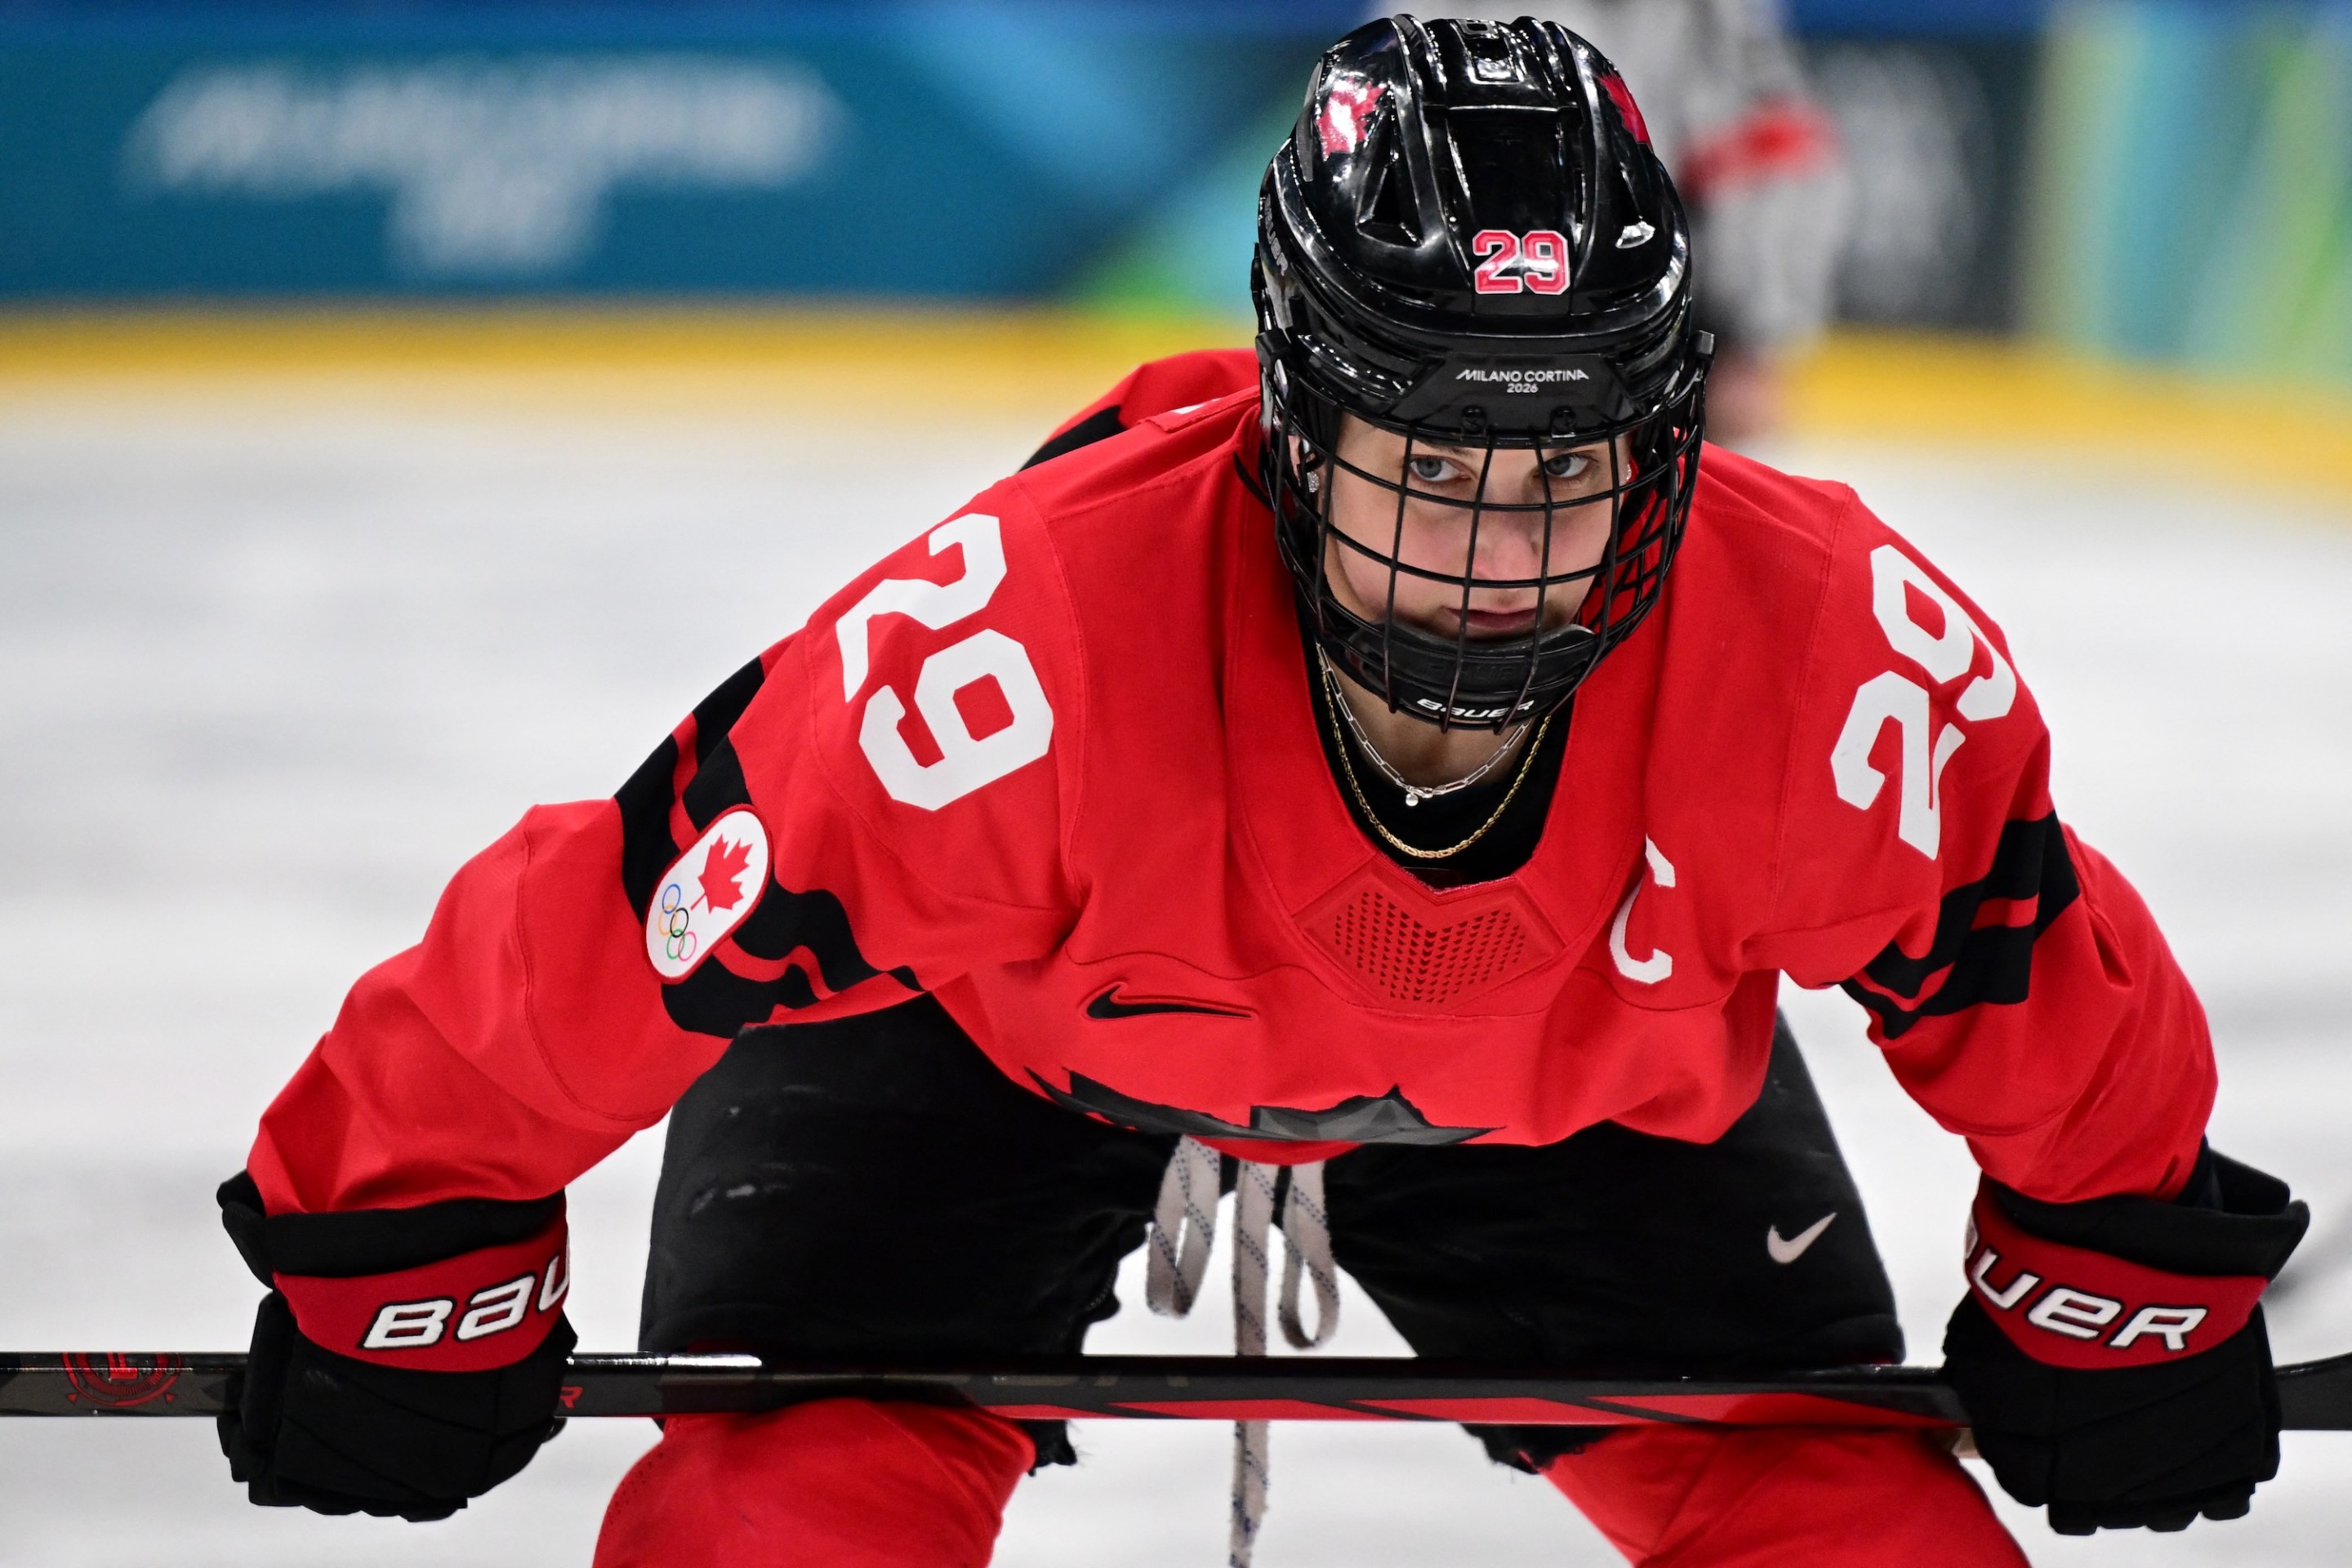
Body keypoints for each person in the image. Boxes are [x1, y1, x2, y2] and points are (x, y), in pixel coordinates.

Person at [212, 16, 2304, 1567]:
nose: (1498, 552)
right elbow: (615, 921)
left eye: (1564, 463)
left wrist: (2118, 1263)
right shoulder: (1013, 662)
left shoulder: (1825, 657)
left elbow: (2035, 970)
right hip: (986, 1055)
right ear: (1292, 427)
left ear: (1668, 444)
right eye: (1427, 461)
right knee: (780, 1524)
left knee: (1860, 1541)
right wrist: (399, 1243)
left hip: (1568, 1086)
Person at [1388, 0, 1846, 444]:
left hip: (1651, 315)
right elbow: (1386, 152)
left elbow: (1765, 146)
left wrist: (1751, 336)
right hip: (1451, 306)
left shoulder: (1700, 14)